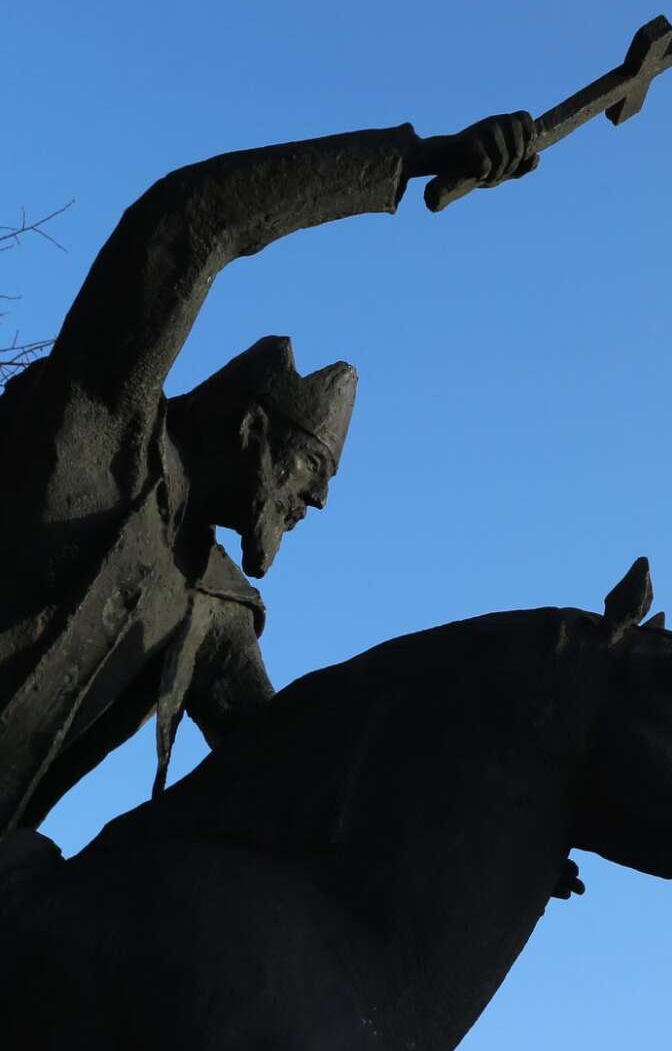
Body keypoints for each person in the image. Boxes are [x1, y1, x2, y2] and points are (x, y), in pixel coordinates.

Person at [0, 112, 539, 834]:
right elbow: (192, 221)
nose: (315, 499)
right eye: (311, 466)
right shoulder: (103, 429)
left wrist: (476, 829)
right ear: (253, 428)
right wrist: (409, 162)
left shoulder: (212, 605)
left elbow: (286, 762)